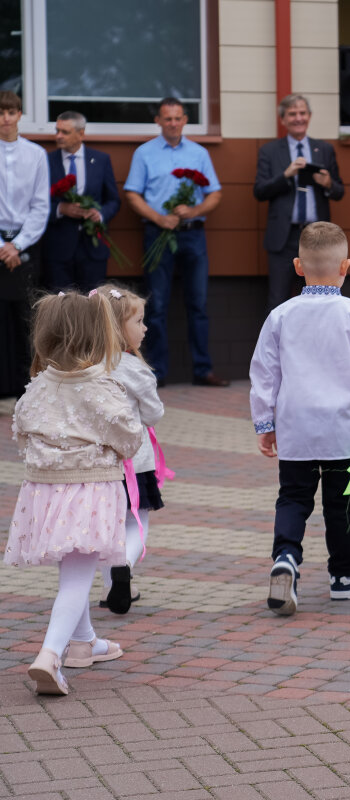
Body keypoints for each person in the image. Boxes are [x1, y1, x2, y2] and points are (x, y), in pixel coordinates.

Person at [4, 291, 143, 695]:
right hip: (91, 491)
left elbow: (21, 432)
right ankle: (50, 654)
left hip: (44, 493)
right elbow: (130, 439)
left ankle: (84, 641)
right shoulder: (102, 387)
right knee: (78, 577)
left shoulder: (36, 388)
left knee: (71, 569)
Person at [250, 222, 350, 616]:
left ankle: (286, 557)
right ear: (345, 266)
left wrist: (265, 424)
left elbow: (264, 373)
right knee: (341, 503)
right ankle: (343, 576)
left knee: (293, 497)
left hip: (295, 425)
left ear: (298, 266)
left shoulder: (280, 316)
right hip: (343, 428)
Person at [124, 97, 228, 387]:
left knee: (199, 304)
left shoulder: (199, 153)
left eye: (177, 118)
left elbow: (215, 194)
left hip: (193, 234)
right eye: (167, 118)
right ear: (158, 121)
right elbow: (132, 194)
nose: (172, 123)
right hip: (158, 234)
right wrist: (159, 218)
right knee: (156, 307)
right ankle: (157, 372)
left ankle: (203, 370)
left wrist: (194, 210)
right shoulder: (144, 153)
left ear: (185, 120)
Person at [92, 284, 165, 615]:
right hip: (134, 463)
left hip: (96, 464)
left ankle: (112, 588)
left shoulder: (84, 366)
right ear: (118, 328)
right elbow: (153, 414)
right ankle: (124, 567)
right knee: (136, 522)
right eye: (138, 322)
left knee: (107, 526)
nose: (145, 328)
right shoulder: (135, 369)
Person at [253, 94, 345, 310]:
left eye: (302, 113)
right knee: (278, 300)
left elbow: (340, 192)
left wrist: (328, 183)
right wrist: (285, 175)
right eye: (292, 114)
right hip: (284, 238)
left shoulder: (324, 149)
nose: (298, 118)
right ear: (283, 119)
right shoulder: (269, 151)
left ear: (309, 116)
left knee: (320, 300)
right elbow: (259, 191)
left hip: (317, 238)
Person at [0, 90, 50, 398]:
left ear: (20, 115)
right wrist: (2, 246)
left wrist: (16, 245)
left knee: (25, 319)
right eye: (0, 112)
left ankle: (28, 390)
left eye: (10, 112)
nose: (5, 118)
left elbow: (40, 205)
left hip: (25, 244)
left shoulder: (36, 155)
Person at [43, 111, 121, 293]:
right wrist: (60, 209)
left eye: (65, 132)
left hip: (93, 248)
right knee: (61, 304)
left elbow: (113, 200)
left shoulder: (101, 160)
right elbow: (36, 203)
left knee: (93, 303)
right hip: (58, 248)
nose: (58, 136)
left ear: (81, 134)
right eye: (57, 131)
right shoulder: (46, 161)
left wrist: (100, 214)